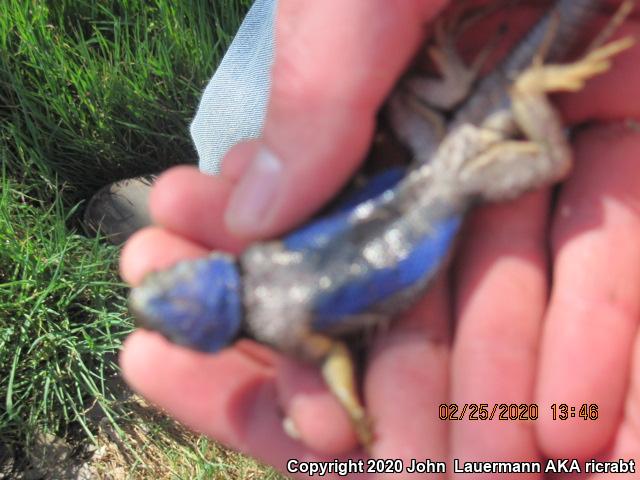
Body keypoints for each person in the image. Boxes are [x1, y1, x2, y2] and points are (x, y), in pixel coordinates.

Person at [115, 0, 640, 477]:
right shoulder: (260, 255)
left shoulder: (285, 330)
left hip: (457, 185)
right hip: (427, 156)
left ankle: (528, 94)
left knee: (553, 161)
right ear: (202, 274)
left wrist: (353, 407)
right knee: (450, 101)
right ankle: (477, 77)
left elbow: (337, 361)